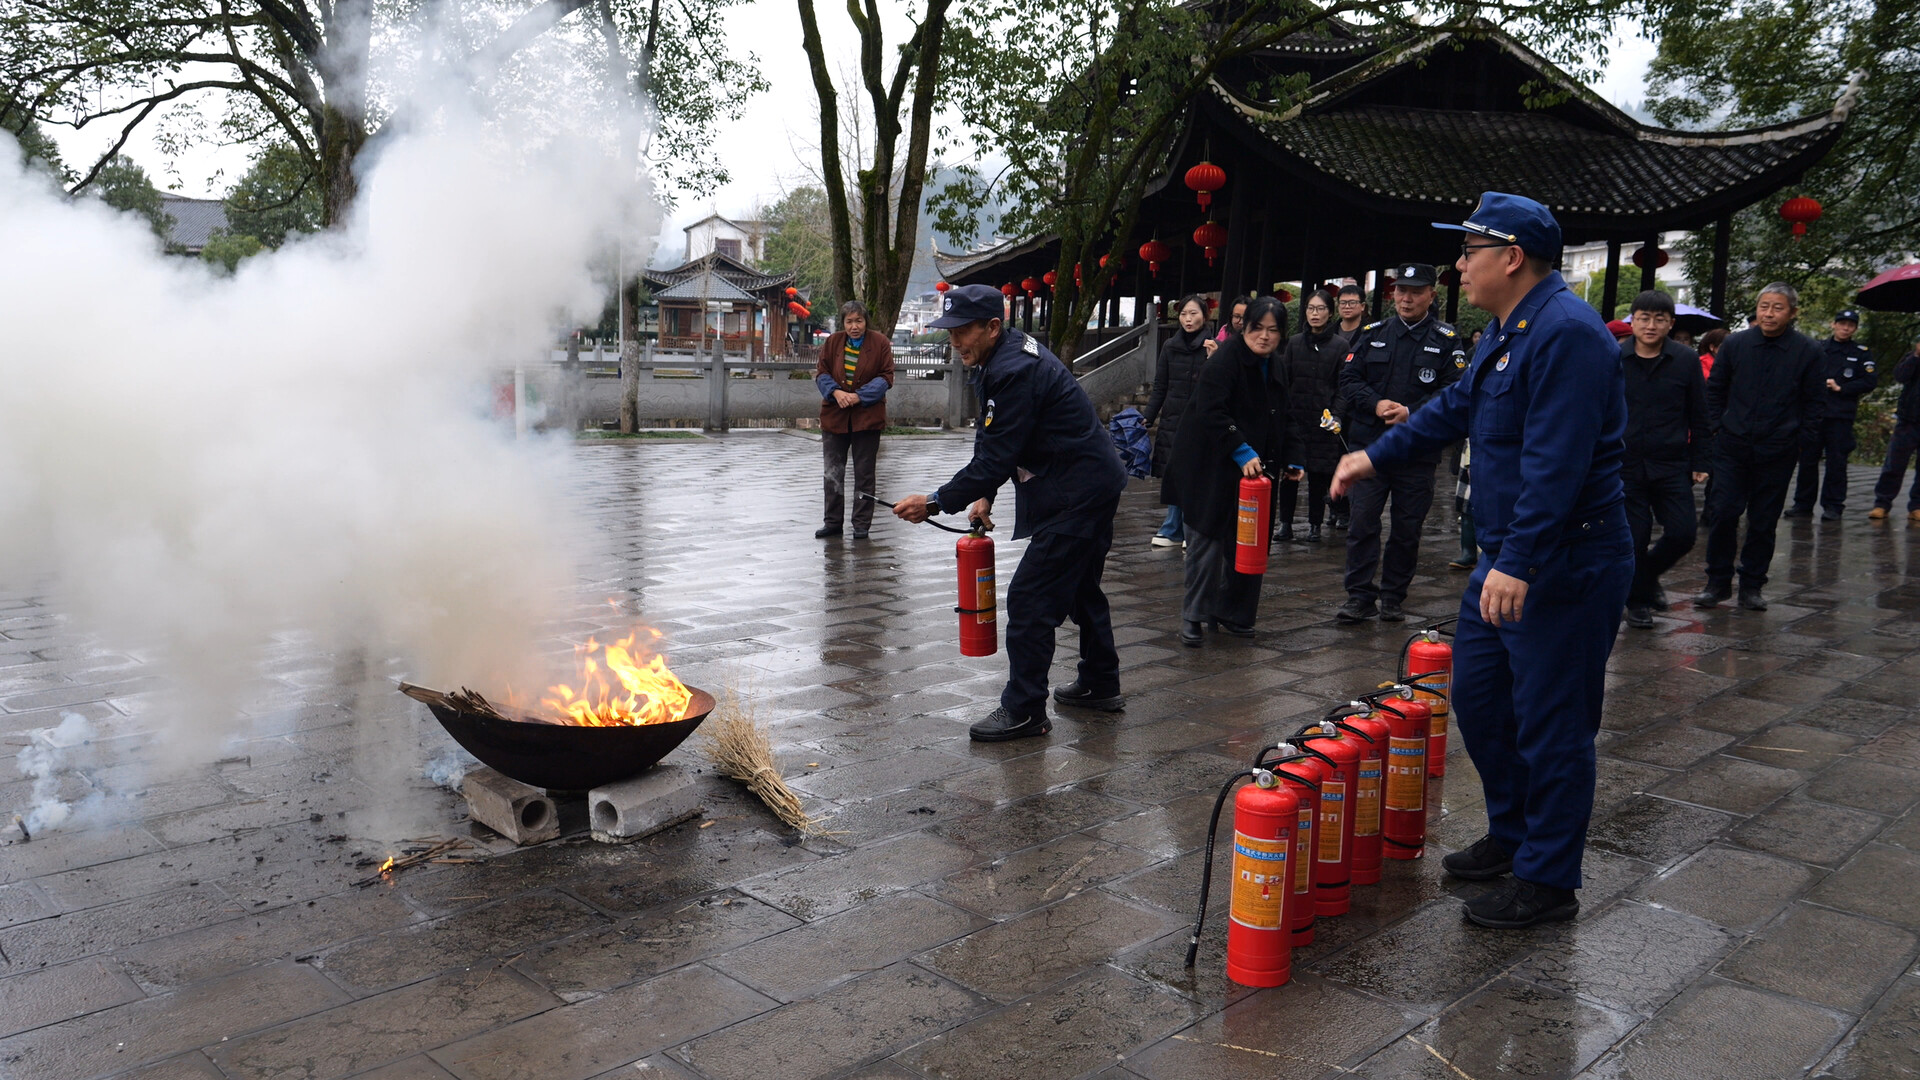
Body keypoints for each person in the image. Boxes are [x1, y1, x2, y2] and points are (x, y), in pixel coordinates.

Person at [1331, 191, 1633, 929]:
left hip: (1560, 561)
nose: (1458, 265)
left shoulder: (1566, 334)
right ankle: (1513, 830)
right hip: (1508, 554)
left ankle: (1548, 878)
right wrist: (1373, 454)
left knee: (1553, 721)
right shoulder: (1509, 328)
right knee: (1482, 702)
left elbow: (1556, 465)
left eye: (1468, 251)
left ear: (1512, 257)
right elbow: (1453, 409)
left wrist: (1519, 561)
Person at [893, 285, 1128, 741]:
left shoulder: (1013, 369)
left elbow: (996, 455)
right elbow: (999, 439)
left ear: (992, 327)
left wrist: (937, 501)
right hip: (1090, 481)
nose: (954, 341)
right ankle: (1101, 683)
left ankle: (1023, 709)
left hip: (1076, 493)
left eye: (962, 331)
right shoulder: (998, 358)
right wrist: (986, 496)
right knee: (1081, 590)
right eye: (949, 332)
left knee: (1029, 599)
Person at [1165, 296, 1303, 646]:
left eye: (1273, 331)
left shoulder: (1278, 364)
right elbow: (1211, 412)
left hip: (1255, 470)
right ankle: (1194, 616)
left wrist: (1293, 458)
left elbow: (1285, 415)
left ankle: (1235, 613)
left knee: (1251, 542)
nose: (1264, 337)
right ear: (1244, 327)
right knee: (1206, 543)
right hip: (1209, 465)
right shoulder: (1224, 360)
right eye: (1258, 328)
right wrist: (1240, 449)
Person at [1334, 261, 1466, 622]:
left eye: (1415, 292)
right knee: (1362, 523)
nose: (1406, 299)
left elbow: (1454, 391)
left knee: (1407, 528)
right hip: (1370, 446)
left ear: (1430, 295)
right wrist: (1375, 403)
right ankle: (1359, 595)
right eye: (1401, 291)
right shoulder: (1373, 332)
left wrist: (1412, 411)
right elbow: (1348, 378)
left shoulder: (1446, 339)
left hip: (1417, 452)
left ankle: (1393, 595)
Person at [1695, 283, 1824, 611]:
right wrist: (1715, 428)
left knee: (1764, 520)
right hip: (1732, 445)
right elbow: (1715, 390)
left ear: (1792, 313)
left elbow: (1814, 403)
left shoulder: (1808, 351)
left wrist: (1800, 442)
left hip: (1778, 449)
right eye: (1764, 306)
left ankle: (1752, 584)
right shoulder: (1735, 344)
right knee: (1723, 513)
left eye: (1777, 307)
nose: (1769, 313)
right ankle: (1717, 581)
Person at [1619, 290, 1710, 629]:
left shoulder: (1685, 360)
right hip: (1626, 464)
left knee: (1684, 533)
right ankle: (1638, 602)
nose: (1651, 325)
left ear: (1671, 324)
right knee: (1635, 537)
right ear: (1633, 321)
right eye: (1644, 318)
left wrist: (1702, 460)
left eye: (1660, 319)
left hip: (1672, 463)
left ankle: (1644, 578)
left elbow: (1700, 413)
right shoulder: (1616, 357)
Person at [1786, 309, 1877, 520]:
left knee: (1837, 462)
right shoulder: (1817, 347)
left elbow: (1870, 381)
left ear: (1855, 328)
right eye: (1842, 323)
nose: (1846, 328)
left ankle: (1833, 506)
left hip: (1840, 416)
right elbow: (1799, 375)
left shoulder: (1861, 352)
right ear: (1833, 324)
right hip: (1814, 414)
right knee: (1808, 461)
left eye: (1850, 325)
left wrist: (1841, 388)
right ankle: (1803, 505)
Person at [814, 301, 895, 539]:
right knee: (832, 472)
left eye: (858, 320)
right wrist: (837, 393)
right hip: (835, 414)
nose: (854, 326)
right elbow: (822, 373)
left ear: (866, 321)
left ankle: (861, 525)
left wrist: (858, 396)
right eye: (849, 321)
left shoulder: (879, 343)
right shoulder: (832, 342)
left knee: (864, 473)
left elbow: (886, 377)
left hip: (866, 417)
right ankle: (832, 522)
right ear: (843, 323)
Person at [1277, 290, 1345, 542]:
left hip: (1323, 422)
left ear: (1330, 312)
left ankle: (1315, 524)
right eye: (1310, 308)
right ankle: (1285, 524)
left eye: (1320, 309)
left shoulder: (1340, 346)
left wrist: (1337, 416)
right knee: (1290, 473)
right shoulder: (1294, 343)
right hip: (1295, 420)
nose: (1315, 314)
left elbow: (1343, 387)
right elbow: (1285, 380)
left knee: (1319, 476)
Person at [1142, 296, 1211, 547]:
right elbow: (1160, 386)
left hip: (1201, 420)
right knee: (1175, 473)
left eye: (1193, 314)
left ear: (1204, 315)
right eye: (1183, 314)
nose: (1188, 319)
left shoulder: (1213, 346)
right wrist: (1148, 417)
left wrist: (1214, 359)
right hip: (1173, 418)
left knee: (1195, 474)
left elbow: (1220, 384)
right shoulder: (1170, 346)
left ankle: (1189, 527)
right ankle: (1174, 528)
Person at [1869, 335, 1920, 522]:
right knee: (1894, 464)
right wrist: (1916, 356)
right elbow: (1900, 376)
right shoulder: (1913, 356)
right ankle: (1882, 503)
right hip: (1908, 420)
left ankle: (1917, 506)